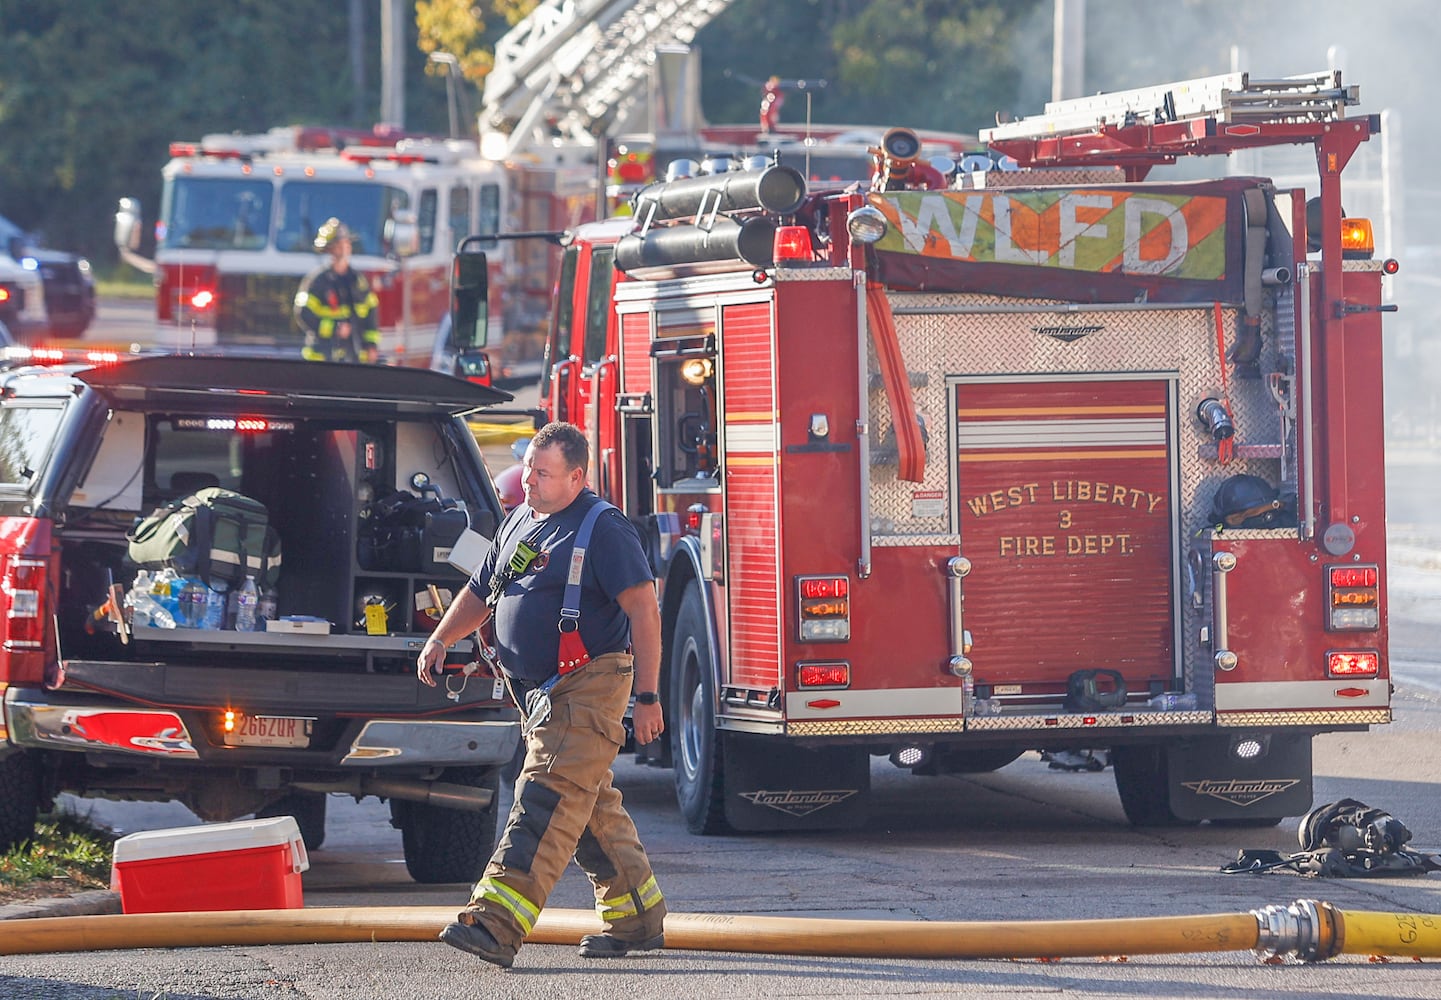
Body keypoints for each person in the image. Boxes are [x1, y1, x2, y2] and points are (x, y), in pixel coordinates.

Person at [417, 421, 666, 970]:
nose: (528, 479)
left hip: (589, 686)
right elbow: (482, 589)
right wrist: (442, 637)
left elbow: (645, 613)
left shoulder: (605, 531)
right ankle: (638, 918)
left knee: (546, 799)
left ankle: (496, 923)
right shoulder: (520, 521)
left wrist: (648, 697)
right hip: (542, 696)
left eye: (543, 472)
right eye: (528, 467)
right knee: (589, 808)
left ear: (577, 477)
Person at [293, 217, 381, 363]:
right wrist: (334, 329)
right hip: (322, 358)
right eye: (338, 245)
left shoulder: (358, 281)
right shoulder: (317, 281)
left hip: (353, 357)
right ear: (328, 249)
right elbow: (304, 314)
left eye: (345, 244)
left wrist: (371, 345)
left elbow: (371, 314)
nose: (343, 248)